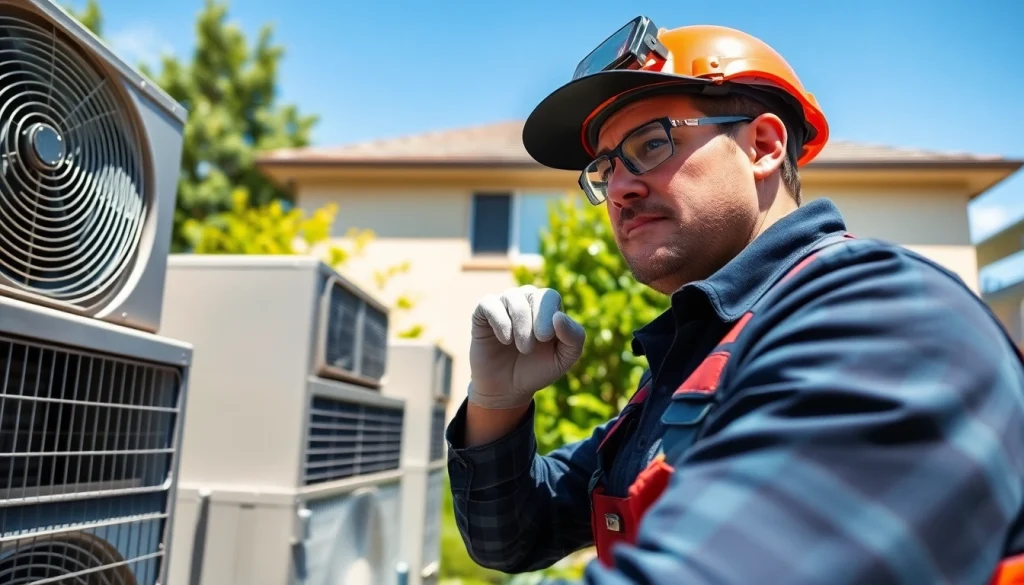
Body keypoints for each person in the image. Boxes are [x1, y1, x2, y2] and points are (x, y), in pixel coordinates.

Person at [444, 17, 1024, 585]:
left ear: (764, 146)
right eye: (605, 168)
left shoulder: (880, 320)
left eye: (652, 143)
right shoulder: (704, 353)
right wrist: (498, 401)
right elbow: (512, 537)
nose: (619, 189)